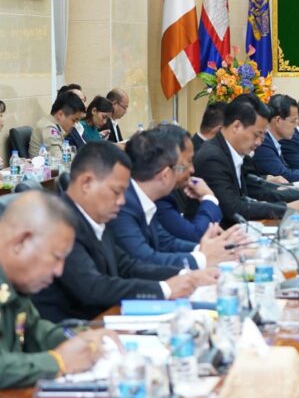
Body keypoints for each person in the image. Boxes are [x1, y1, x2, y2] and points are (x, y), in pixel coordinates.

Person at [32, 142, 215, 323]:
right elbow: (93, 287)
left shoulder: (94, 216)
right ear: (86, 183)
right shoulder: (58, 222)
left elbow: (127, 266)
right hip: (70, 331)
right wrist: (165, 289)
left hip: (103, 321)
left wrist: (185, 276)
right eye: (116, 191)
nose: (122, 201)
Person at [0, 192, 118, 388]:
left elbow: (33, 330)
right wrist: (58, 362)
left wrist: (80, 338)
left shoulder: (16, 282)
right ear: (21, 242)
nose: (59, 271)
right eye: (56, 257)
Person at [109, 130, 238, 270]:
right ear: (165, 175)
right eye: (185, 164)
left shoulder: (143, 199)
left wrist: (213, 249)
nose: (192, 170)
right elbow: (144, 259)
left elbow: (166, 243)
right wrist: (203, 258)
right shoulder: (123, 204)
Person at [192, 97, 299, 225]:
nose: (259, 142)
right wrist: (286, 209)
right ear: (237, 126)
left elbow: (258, 191)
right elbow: (234, 209)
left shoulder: (235, 153)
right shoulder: (212, 158)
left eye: (262, 136)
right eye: (257, 135)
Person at [152, 124, 223, 243]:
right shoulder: (158, 198)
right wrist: (209, 198)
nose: (192, 170)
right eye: (189, 161)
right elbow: (195, 236)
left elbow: (185, 230)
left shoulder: (174, 189)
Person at [253, 95, 299, 183]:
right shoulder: (263, 143)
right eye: (293, 121)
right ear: (278, 120)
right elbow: (285, 175)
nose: (296, 126)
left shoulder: (274, 142)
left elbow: (289, 171)